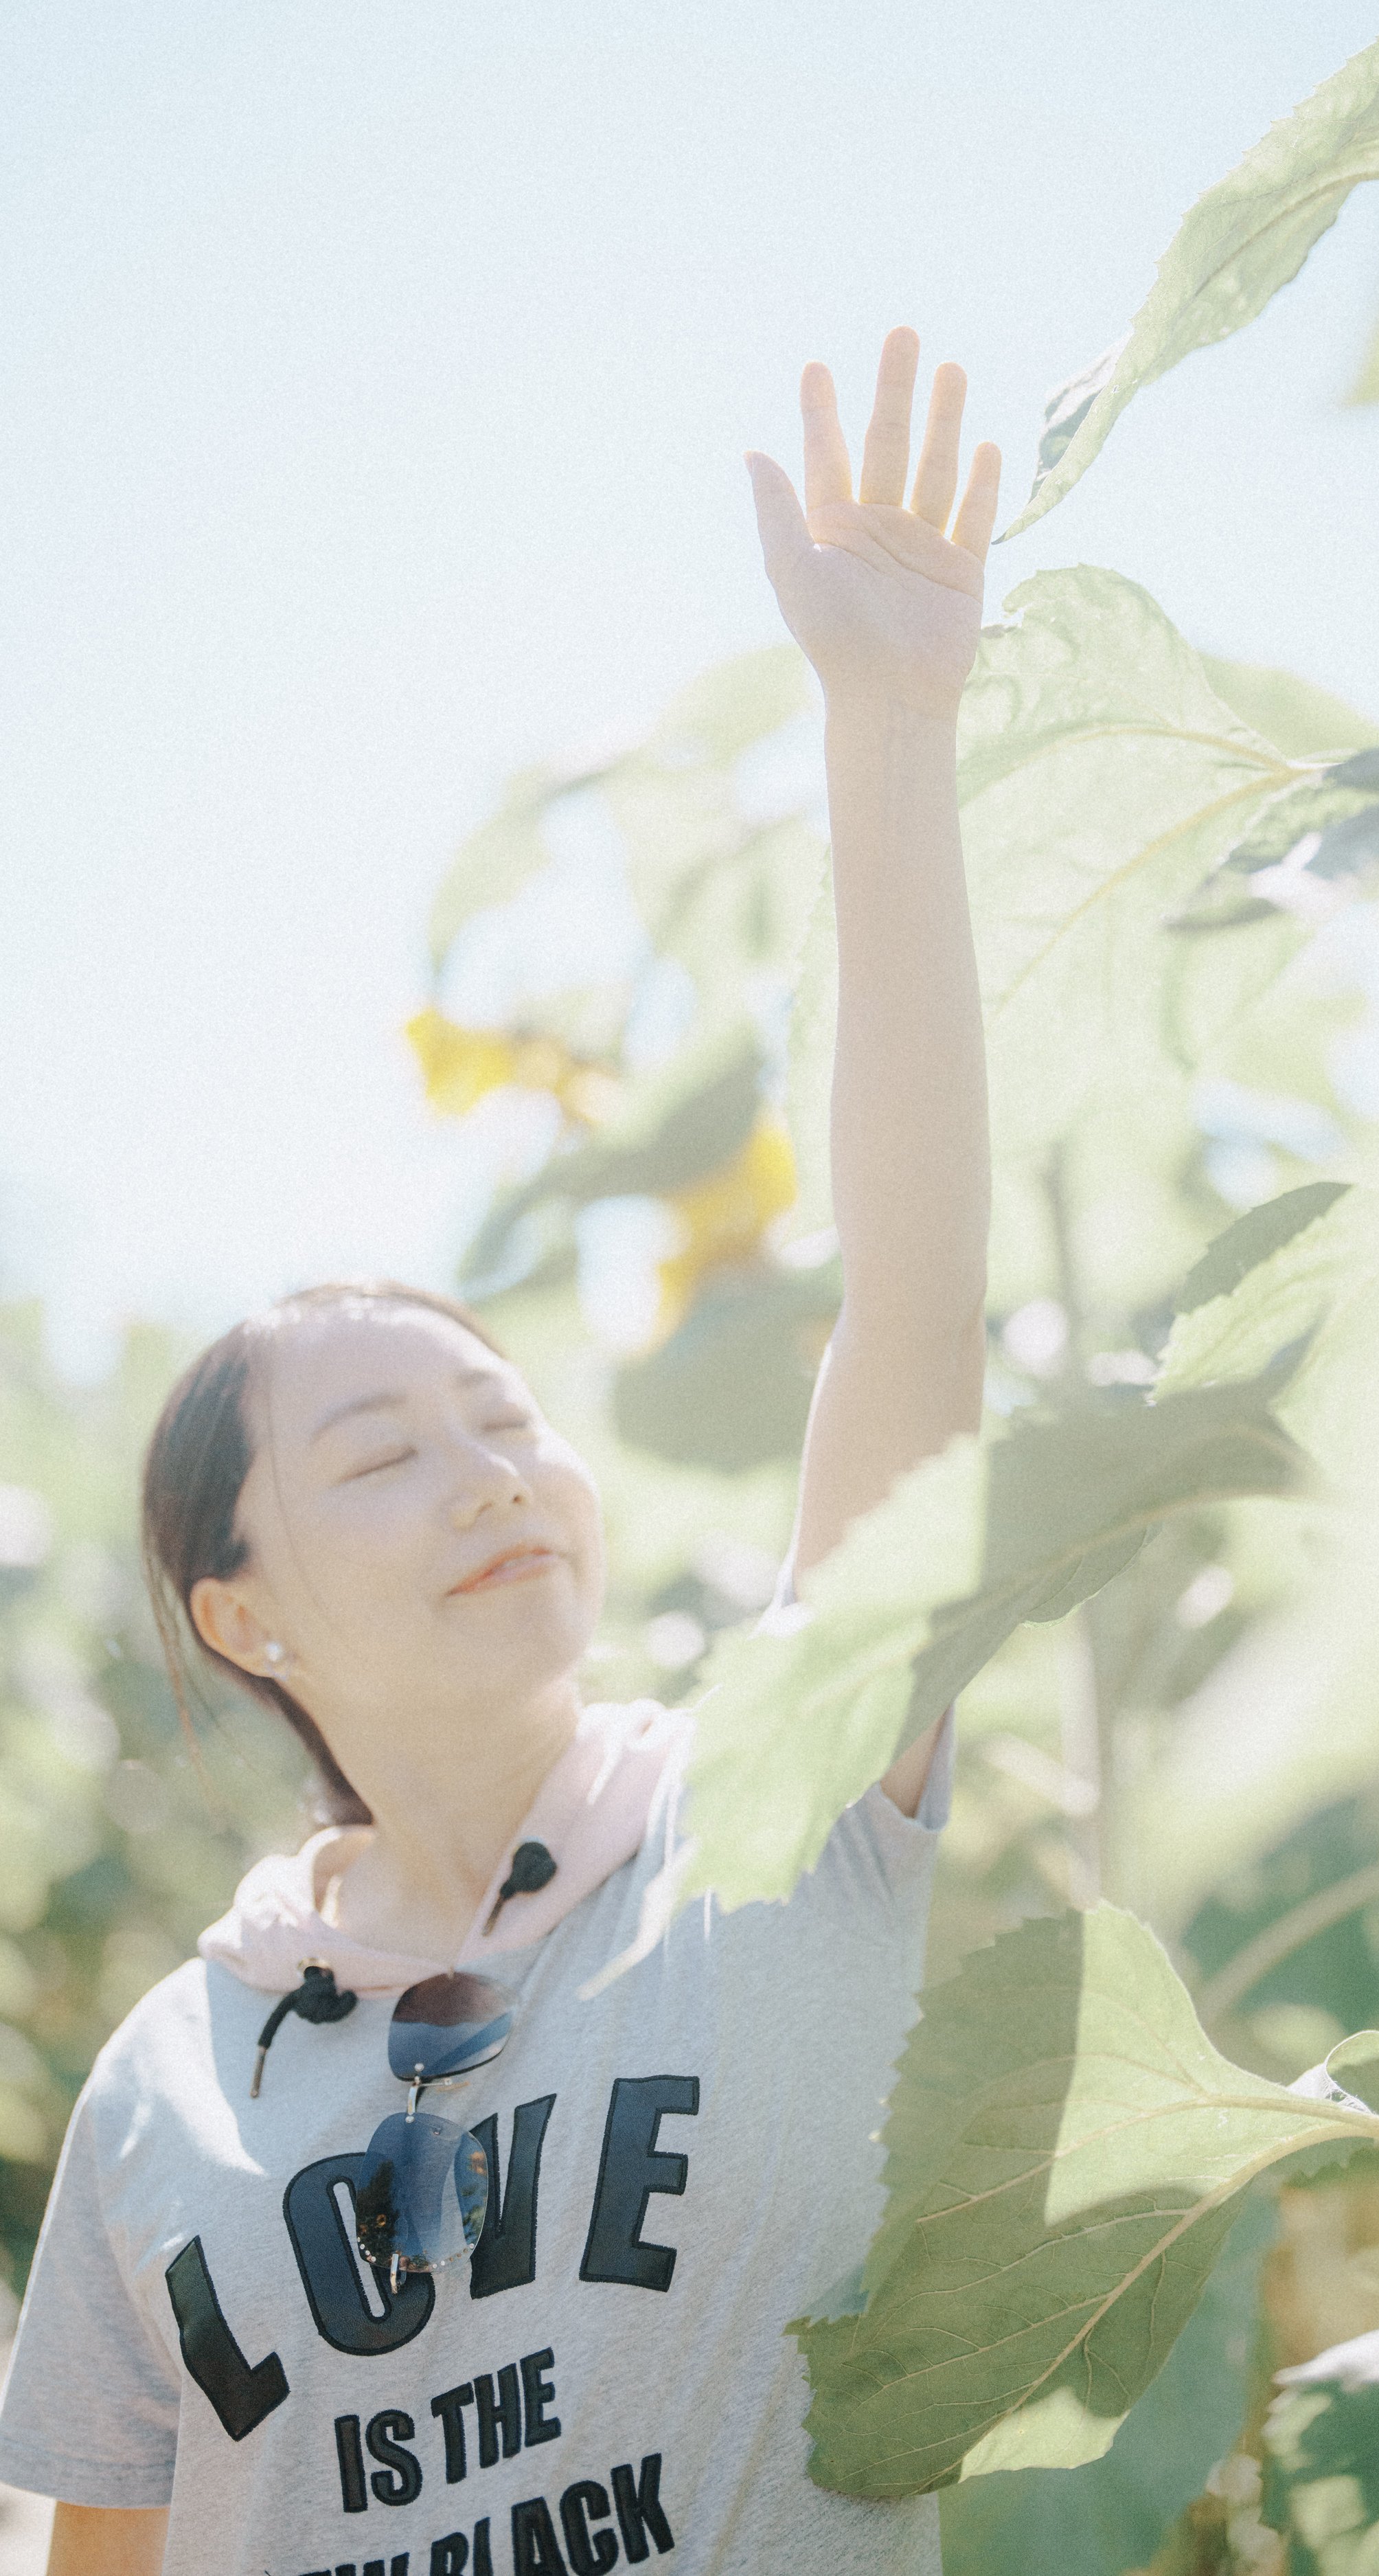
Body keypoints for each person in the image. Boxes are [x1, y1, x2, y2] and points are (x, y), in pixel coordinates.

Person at [0, 327, 999, 2576]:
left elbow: (915, 1297)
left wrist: (889, 727)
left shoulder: (780, 1810)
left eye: (506, 1422)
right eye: (378, 1454)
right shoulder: (166, 2084)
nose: (487, 1475)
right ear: (237, 1609)